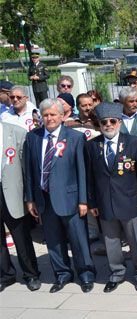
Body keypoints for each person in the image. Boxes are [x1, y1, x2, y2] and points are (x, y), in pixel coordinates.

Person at [24, 98, 96, 293]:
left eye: (53, 114)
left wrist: (83, 200)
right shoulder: (33, 137)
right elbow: (29, 171)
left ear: (62, 116)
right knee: (54, 240)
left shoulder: (74, 137)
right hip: (43, 199)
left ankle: (86, 274)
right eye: (45, 115)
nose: (49, 118)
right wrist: (30, 198)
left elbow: (82, 170)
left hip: (70, 199)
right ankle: (62, 274)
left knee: (78, 239)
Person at [84, 102, 137, 293]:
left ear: (120, 122)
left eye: (113, 121)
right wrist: (93, 202)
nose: (108, 125)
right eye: (104, 122)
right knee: (111, 241)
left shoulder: (133, 142)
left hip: (130, 201)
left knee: (136, 241)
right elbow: (90, 177)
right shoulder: (92, 146)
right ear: (100, 124)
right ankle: (117, 273)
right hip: (105, 203)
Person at [0, 121, 41, 292]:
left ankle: (31, 274)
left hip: (13, 193)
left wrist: (29, 196)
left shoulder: (16, 132)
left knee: (21, 236)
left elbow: (27, 169)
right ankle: (6, 274)